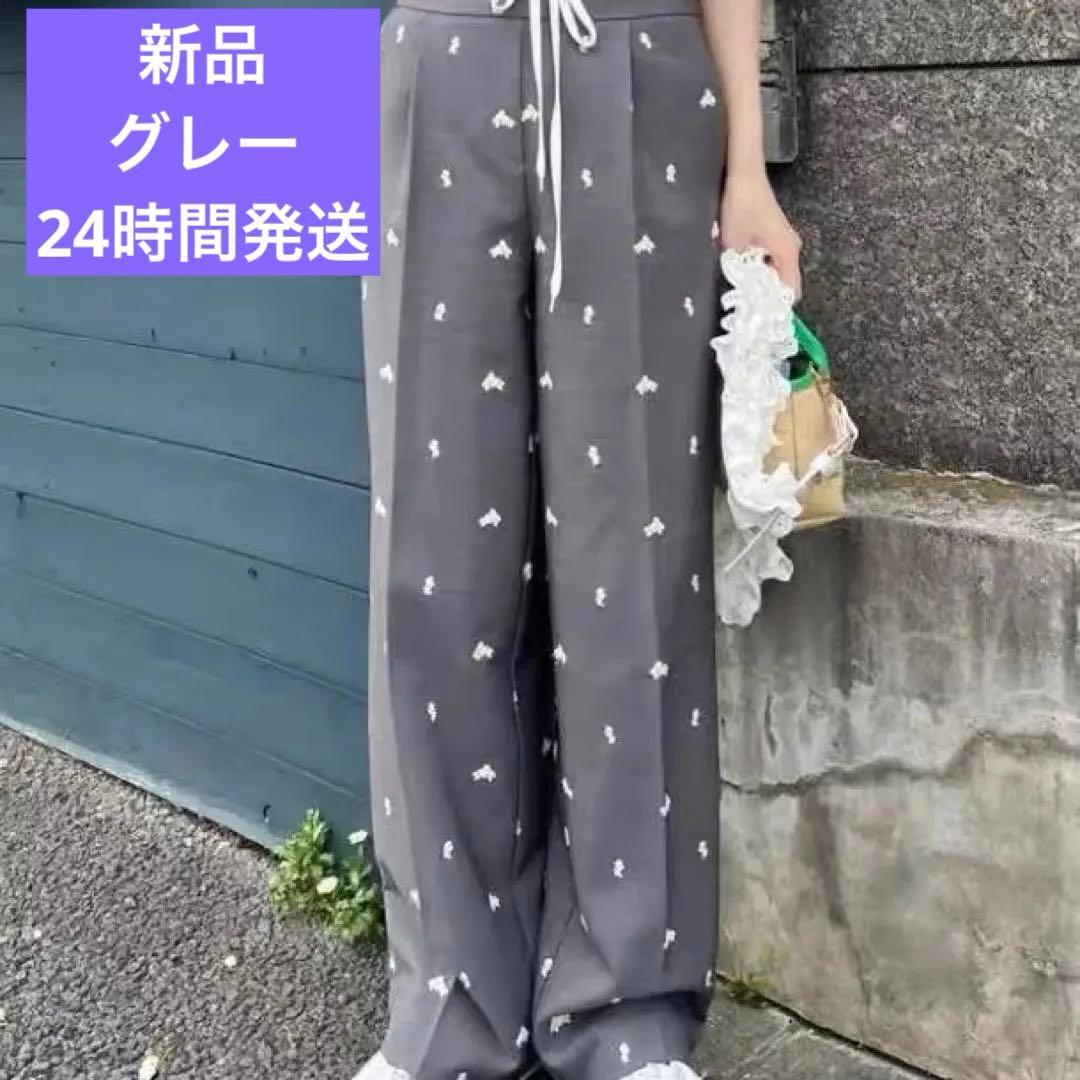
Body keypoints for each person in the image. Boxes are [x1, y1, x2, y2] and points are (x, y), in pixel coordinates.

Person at [357, 0, 801, 1076]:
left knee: (632, 563)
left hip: (636, 59)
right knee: (435, 573)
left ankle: (628, 1014)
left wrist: (749, 165)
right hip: (437, 58)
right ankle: (446, 1007)